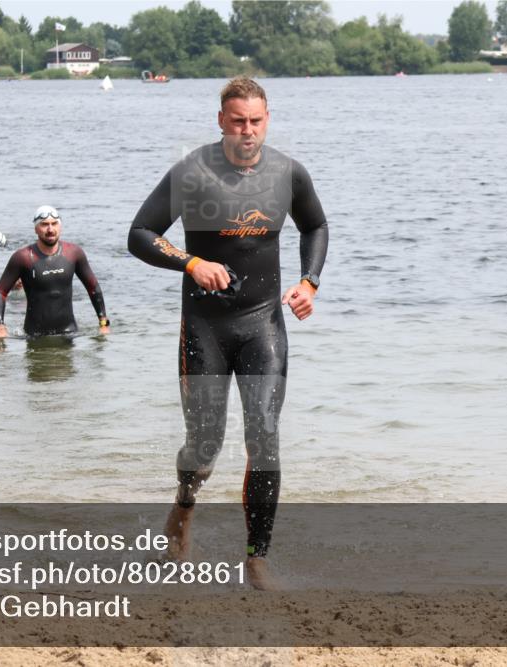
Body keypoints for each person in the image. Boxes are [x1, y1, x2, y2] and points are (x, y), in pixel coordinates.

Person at [127, 76, 328, 590]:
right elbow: (140, 234)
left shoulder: (288, 173)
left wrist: (309, 281)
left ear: (267, 119)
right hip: (205, 328)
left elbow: (315, 227)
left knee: (264, 437)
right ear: (221, 120)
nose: (247, 132)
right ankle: (185, 504)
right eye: (237, 121)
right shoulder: (193, 171)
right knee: (205, 444)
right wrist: (192, 262)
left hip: (263, 323)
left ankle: (256, 560)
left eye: (256, 122)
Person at [0, 205, 110, 338]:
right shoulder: (23, 257)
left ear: (60, 226)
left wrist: (104, 324)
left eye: (54, 224)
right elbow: (0, 293)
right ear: (36, 229)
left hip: (69, 333)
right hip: (34, 336)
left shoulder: (73, 253)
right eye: (44, 225)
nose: (50, 229)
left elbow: (93, 288)